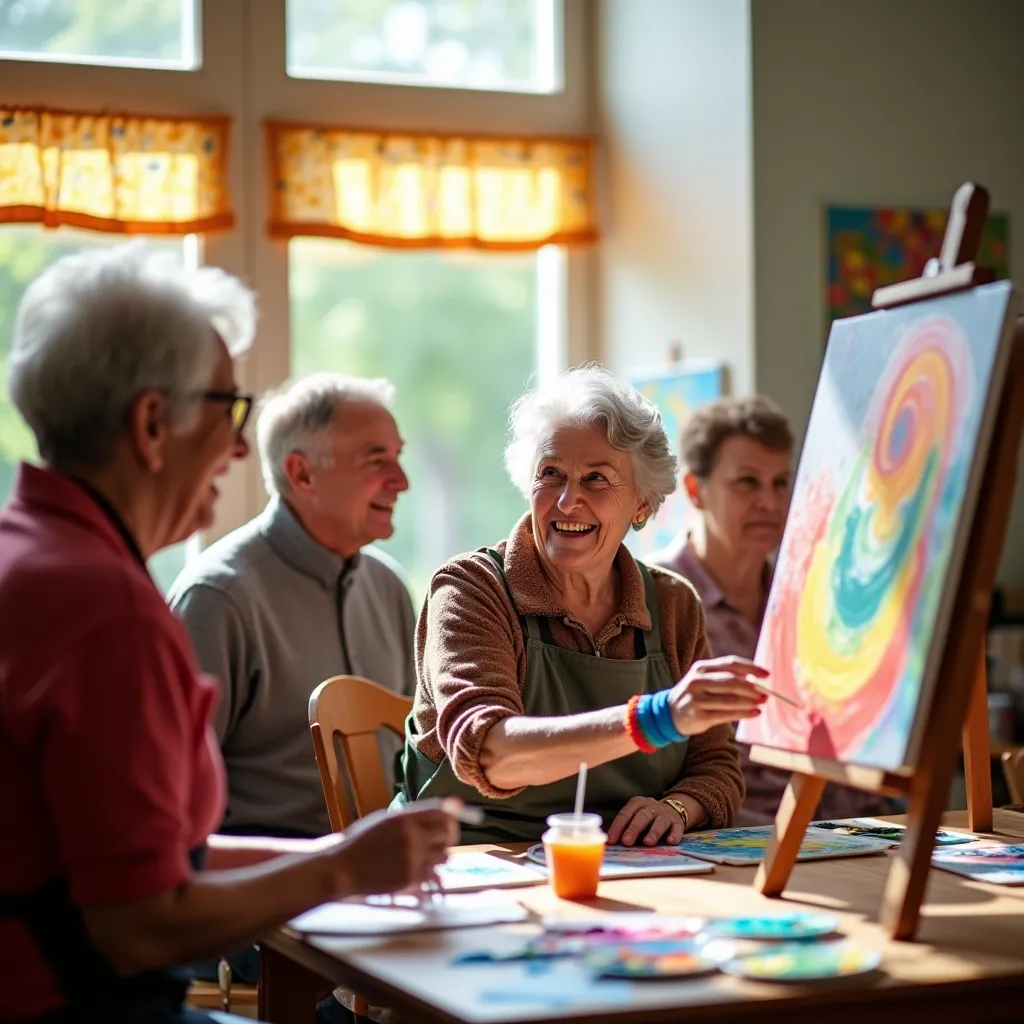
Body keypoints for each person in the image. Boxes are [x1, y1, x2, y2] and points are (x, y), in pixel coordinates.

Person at [0, 244, 458, 1024]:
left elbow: (149, 860)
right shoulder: (110, 609)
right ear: (151, 424)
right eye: (230, 411)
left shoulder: (30, 554)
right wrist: (339, 872)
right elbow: (138, 924)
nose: (242, 448)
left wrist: (347, 858)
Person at [394, 365, 766, 845]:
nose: (568, 501)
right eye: (551, 474)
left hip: (628, 868)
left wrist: (676, 808)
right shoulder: (472, 589)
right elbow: (491, 753)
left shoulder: (673, 604)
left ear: (642, 506)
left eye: (596, 479)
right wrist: (657, 717)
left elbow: (715, 766)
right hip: (473, 866)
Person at [169, 373, 416, 842]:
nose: (400, 481)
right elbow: (173, 814)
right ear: (302, 474)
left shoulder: (388, 586)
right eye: (376, 459)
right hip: (267, 889)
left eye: (397, 456)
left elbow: (414, 761)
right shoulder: (217, 599)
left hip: (382, 877)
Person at [650, 395, 894, 824]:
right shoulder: (655, 599)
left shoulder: (819, 591)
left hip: (861, 825)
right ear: (695, 490)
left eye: (780, 483)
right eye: (747, 482)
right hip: (739, 836)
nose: (770, 501)